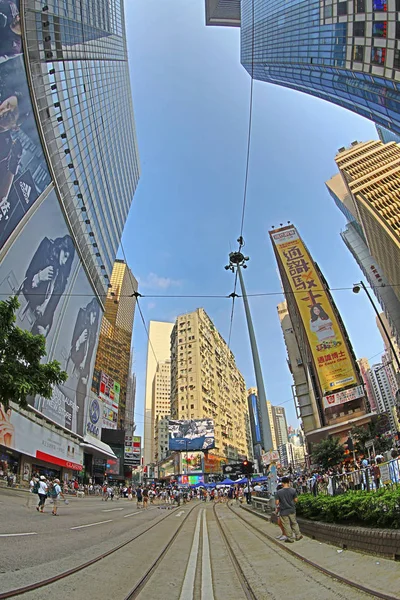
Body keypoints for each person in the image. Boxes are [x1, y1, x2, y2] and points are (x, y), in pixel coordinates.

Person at [20, 235, 75, 337]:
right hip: (25, 309)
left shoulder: (62, 280)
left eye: (68, 258)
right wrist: (39, 277)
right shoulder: (46, 249)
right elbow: (26, 283)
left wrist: (46, 331)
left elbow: (51, 310)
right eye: (65, 255)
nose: (65, 261)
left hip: (38, 324)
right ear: (60, 248)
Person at [275, 476, 303, 543]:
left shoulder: (278, 492)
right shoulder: (293, 490)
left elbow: (277, 502)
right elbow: (296, 500)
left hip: (283, 511)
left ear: (282, 483)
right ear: (288, 482)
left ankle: (290, 538)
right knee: (294, 523)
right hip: (292, 509)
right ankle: (298, 535)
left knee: (286, 525)